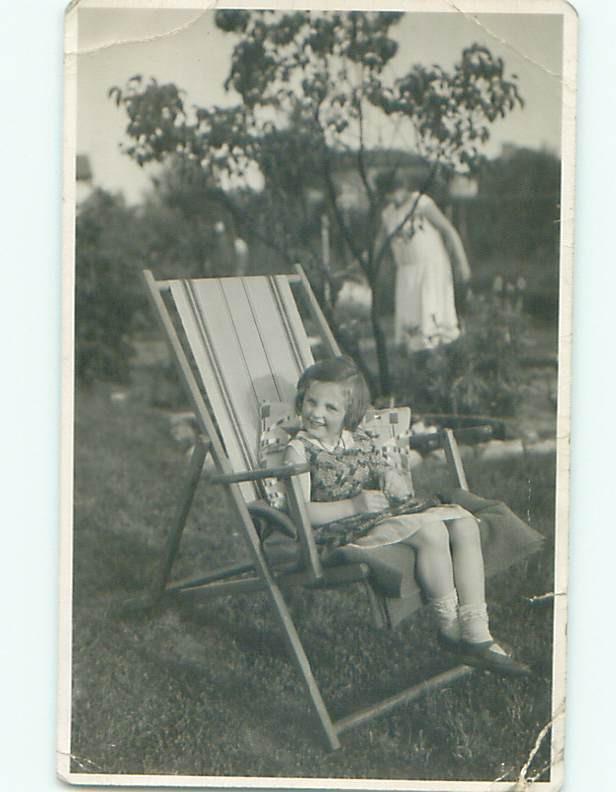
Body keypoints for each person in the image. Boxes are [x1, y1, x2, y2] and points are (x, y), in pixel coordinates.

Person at [282, 356, 529, 676]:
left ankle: (477, 628)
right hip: (341, 530)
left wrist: (391, 476)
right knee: (432, 533)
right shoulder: (299, 450)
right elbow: (298, 510)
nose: (316, 413)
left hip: (381, 518)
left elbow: (380, 465)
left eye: (330, 408)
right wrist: (352, 506)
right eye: (311, 402)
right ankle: (451, 629)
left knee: (464, 523)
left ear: (348, 414)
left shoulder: (357, 439)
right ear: (301, 400)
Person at [379, 174, 471, 353]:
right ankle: (418, 363)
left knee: (433, 322)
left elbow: (448, 230)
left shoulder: (420, 203)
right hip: (406, 274)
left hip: (431, 270)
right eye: (388, 194)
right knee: (412, 331)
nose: (393, 197)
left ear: (403, 189)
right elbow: (381, 244)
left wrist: (462, 262)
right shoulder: (388, 214)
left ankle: (440, 358)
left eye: (395, 191)